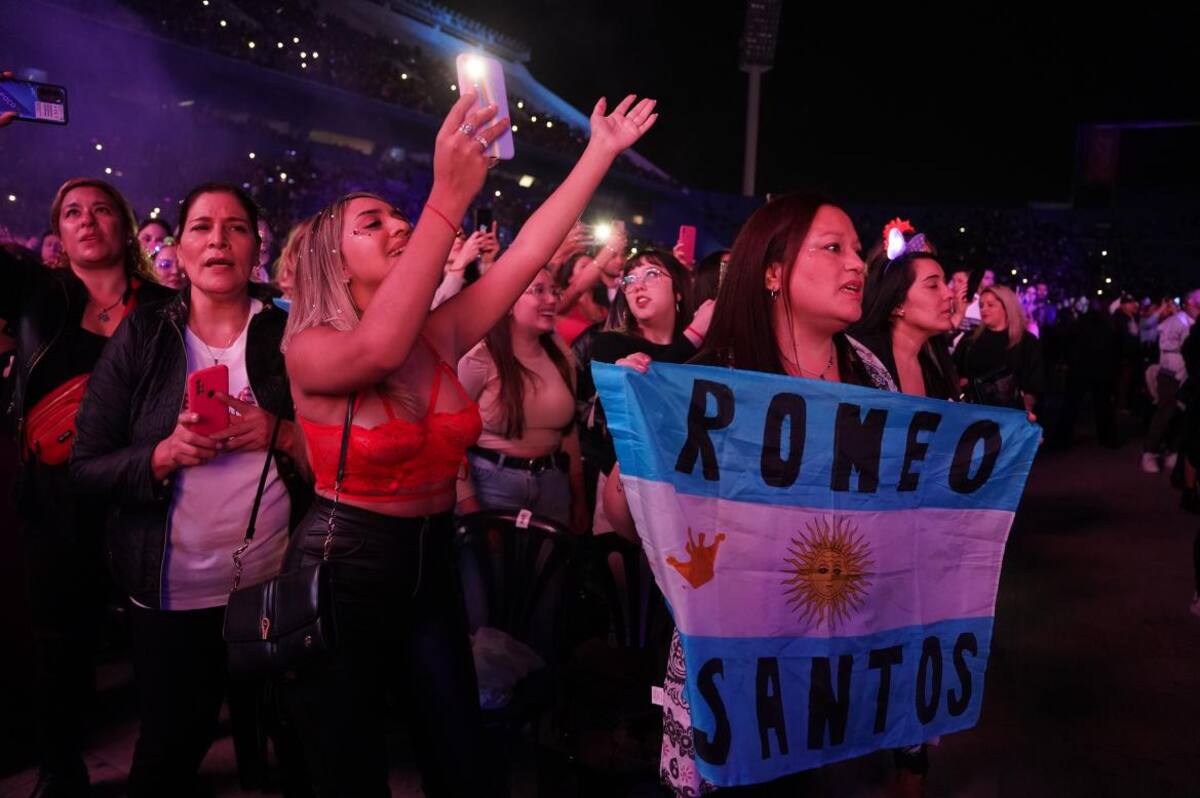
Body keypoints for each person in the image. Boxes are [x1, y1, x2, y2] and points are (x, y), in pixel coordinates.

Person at [279, 91, 657, 796]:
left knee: (461, 753)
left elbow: (530, 251)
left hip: (433, 558)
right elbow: (379, 348)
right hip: (345, 565)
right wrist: (447, 196)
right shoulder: (308, 346)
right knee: (349, 767)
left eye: (397, 215)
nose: (397, 225)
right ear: (334, 261)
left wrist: (600, 151)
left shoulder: (442, 332)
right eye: (372, 222)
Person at [605, 195, 895, 796]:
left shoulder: (871, 373)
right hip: (741, 657)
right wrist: (639, 429)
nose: (856, 264)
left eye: (855, 249)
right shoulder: (715, 380)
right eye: (832, 248)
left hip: (845, 650)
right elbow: (629, 520)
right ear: (772, 272)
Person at [71, 182, 310, 796]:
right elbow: (86, 467)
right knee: (171, 745)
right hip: (169, 590)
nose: (218, 240)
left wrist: (282, 433)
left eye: (236, 227)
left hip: (275, 583)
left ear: (257, 248)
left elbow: (338, 451)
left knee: (303, 740)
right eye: (202, 227)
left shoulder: (292, 333)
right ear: (178, 250)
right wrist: (162, 455)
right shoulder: (144, 335)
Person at [1, 177, 170, 797]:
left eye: (101, 210)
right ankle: (60, 770)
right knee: (60, 642)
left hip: (144, 492)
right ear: (59, 232)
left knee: (158, 639)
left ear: (125, 226)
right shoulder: (35, 292)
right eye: (72, 212)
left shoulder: (166, 307)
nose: (87, 220)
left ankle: (161, 767)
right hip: (55, 498)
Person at [457, 266, 587, 530]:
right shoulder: (480, 356)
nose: (551, 299)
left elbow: (568, 433)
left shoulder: (561, 355)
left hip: (553, 483)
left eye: (554, 291)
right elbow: (450, 438)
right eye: (538, 290)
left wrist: (579, 497)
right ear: (507, 300)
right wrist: (469, 504)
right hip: (492, 483)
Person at [954, 285, 1044, 421]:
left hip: (1008, 417)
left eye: (990, 305)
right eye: (981, 305)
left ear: (1007, 307)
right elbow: (954, 371)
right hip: (971, 414)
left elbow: (1033, 385)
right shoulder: (970, 339)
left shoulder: (1027, 342)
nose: (984, 309)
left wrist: (1024, 412)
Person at [1142, 290, 1198, 473]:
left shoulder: (1190, 322)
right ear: (1190, 303)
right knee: (1165, 415)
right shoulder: (1176, 322)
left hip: (1187, 376)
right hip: (1171, 375)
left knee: (1182, 417)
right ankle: (1149, 453)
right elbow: (1165, 345)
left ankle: (1173, 452)